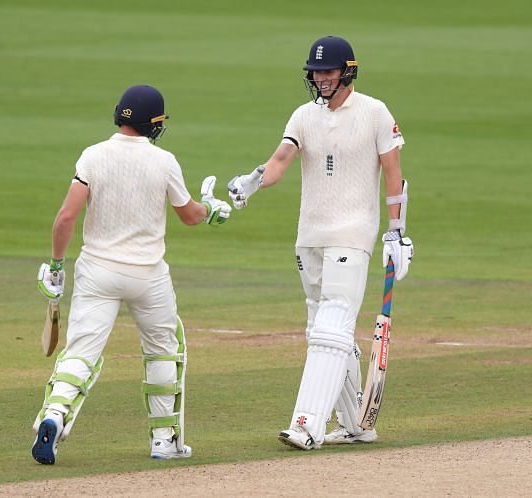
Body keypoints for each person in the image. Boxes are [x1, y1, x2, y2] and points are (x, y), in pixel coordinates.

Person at [227, 35, 414, 450]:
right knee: (325, 332)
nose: (321, 78)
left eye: (328, 71)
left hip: (352, 234)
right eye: (316, 72)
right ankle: (356, 425)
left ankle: (307, 425)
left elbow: (393, 172)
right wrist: (252, 183)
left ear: (347, 71)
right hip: (309, 238)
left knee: (331, 326)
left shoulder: (374, 112)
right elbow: (280, 160)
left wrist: (396, 231)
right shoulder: (303, 116)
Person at [31, 84, 232, 464]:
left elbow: (66, 217)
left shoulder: (93, 155)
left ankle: (54, 417)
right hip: (148, 277)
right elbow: (189, 216)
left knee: (81, 353)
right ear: (154, 124)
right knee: (162, 352)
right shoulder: (164, 161)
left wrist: (56, 266)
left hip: (97, 271)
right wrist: (211, 209)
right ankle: (164, 441)